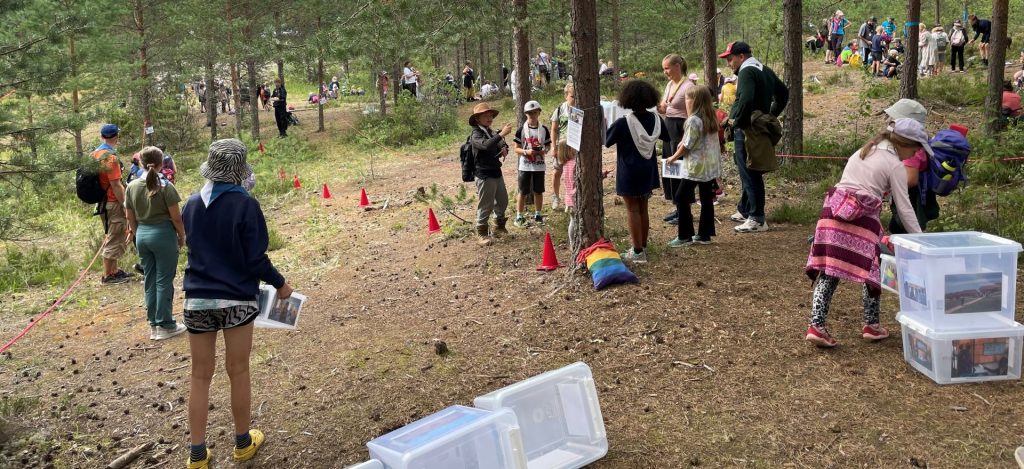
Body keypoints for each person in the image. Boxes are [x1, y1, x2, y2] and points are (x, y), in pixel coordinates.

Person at [181, 139, 292, 469]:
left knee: (200, 376)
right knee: (238, 370)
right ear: (240, 172)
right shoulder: (246, 205)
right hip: (237, 300)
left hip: (197, 299)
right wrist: (280, 283)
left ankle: (197, 454)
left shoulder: (190, 204)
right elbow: (255, 259)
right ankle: (242, 443)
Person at [804, 118, 929, 348]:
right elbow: (904, 208)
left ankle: (816, 325)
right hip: (862, 220)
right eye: (916, 148)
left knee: (830, 269)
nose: (916, 153)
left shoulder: (863, 151)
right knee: (873, 268)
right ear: (905, 143)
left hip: (832, 213)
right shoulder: (895, 165)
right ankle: (871, 324)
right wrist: (921, 239)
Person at [720, 41, 788, 233]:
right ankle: (745, 209)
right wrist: (771, 114)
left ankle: (757, 217)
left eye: (730, 59)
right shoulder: (763, 69)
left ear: (741, 56)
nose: (729, 64)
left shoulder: (747, 71)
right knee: (747, 170)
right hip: (756, 126)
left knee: (750, 172)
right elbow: (783, 93)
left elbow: (747, 98)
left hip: (748, 128)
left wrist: (736, 121)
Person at [124, 146, 188, 341]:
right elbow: (176, 218)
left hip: (142, 234)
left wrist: (137, 236)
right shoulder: (165, 186)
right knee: (164, 280)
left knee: (149, 279)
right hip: (163, 235)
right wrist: (182, 236)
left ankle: (154, 324)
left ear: (141, 163)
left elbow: (130, 216)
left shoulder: (132, 186)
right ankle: (166, 324)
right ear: (162, 164)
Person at [605, 80, 668, 263]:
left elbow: (607, 141)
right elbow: (666, 136)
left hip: (629, 171)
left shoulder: (623, 122)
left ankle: (638, 251)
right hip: (648, 170)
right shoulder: (656, 120)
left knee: (632, 209)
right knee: (643, 208)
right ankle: (643, 245)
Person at [664, 85, 721, 247]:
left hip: (696, 167)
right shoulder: (711, 117)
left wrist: (673, 157)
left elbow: (687, 145)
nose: (685, 102)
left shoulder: (693, 120)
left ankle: (685, 235)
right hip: (709, 166)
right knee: (706, 198)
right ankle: (705, 234)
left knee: (681, 196)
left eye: (687, 98)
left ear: (695, 101)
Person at [92, 124, 134, 285]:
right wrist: (125, 204)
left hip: (102, 202)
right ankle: (108, 275)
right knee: (115, 236)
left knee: (114, 234)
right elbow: (116, 184)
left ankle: (114, 271)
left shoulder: (95, 154)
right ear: (116, 137)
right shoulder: (110, 158)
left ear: (102, 136)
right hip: (112, 202)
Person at [468, 103, 512, 246]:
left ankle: (498, 227)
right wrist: (501, 134)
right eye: (485, 116)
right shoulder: (476, 134)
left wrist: (504, 147)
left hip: (495, 171)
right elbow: (486, 145)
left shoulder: (490, 131)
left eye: (490, 115)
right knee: (486, 204)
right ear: (477, 119)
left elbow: (497, 144)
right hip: (484, 174)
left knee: (503, 200)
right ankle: (481, 233)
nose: (489, 118)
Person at [656, 54, 693, 226]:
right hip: (669, 127)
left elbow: (691, 116)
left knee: (681, 170)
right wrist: (659, 108)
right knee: (670, 169)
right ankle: (677, 206)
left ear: (678, 66)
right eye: (664, 69)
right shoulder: (670, 84)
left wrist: (686, 137)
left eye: (667, 68)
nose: (665, 72)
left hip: (680, 129)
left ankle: (685, 210)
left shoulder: (688, 86)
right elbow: (665, 108)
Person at [512, 101, 551, 228]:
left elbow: (548, 145)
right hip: (525, 165)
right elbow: (516, 148)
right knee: (523, 191)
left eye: (535, 112)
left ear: (539, 113)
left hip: (539, 164)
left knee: (538, 191)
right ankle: (519, 215)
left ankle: (538, 214)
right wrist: (526, 151)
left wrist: (543, 151)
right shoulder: (521, 130)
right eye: (529, 113)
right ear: (525, 114)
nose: (532, 115)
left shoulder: (544, 129)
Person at [550, 83, 575, 211]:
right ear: (566, 96)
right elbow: (554, 129)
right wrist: (553, 147)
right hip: (561, 146)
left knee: (572, 173)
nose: (574, 99)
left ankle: (572, 198)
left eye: (576, 96)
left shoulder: (580, 110)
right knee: (556, 172)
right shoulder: (560, 109)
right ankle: (555, 196)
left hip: (574, 147)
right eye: (572, 96)